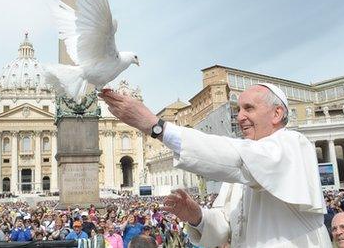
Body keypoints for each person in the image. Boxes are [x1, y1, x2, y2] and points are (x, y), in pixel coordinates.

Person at [99, 83, 331, 247]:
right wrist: (197, 216)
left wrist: (156, 126)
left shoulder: (293, 144)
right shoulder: (243, 173)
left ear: (277, 113)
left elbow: (237, 157)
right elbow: (223, 230)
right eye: (238, 110)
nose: (240, 117)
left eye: (249, 108)